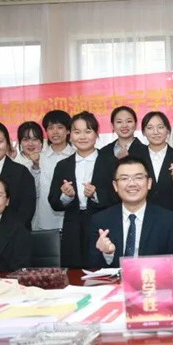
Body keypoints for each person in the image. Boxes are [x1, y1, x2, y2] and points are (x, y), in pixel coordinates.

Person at [88, 157, 173, 267]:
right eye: (124, 178)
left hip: (154, 278)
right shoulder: (100, 221)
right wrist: (108, 254)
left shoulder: (168, 221)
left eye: (138, 178)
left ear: (149, 183)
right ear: (115, 186)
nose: (132, 184)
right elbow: (93, 268)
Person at [49, 112, 112, 268]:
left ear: (96, 134)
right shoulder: (63, 165)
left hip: (102, 225)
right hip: (72, 227)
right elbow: (54, 201)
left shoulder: (110, 162)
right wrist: (66, 196)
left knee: (101, 268)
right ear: (70, 135)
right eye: (77, 132)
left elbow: (118, 196)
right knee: (73, 270)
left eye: (88, 131)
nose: (82, 137)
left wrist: (96, 195)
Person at [137, 111, 173, 234]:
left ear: (168, 130)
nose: (156, 132)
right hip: (143, 222)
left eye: (160, 127)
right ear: (143, 132)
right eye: (150, 128)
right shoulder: (136, 158)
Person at [34, 110, 75, 231]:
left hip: (72, 219)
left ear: (68, 130)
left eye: (60, 127)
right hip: (45, 221)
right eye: (50, 128)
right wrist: (35, 167)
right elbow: (35, 190)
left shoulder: (77, 156)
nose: (55, 132)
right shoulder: (39, 157)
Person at [97, 106, 145, 205]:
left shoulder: (145, 151)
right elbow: (101, 184)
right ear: (113, 125)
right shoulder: (103, 152)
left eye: (129, 121)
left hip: (138, 205)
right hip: (109, 207)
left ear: (136, 124)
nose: (124, 125)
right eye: (119, 122)